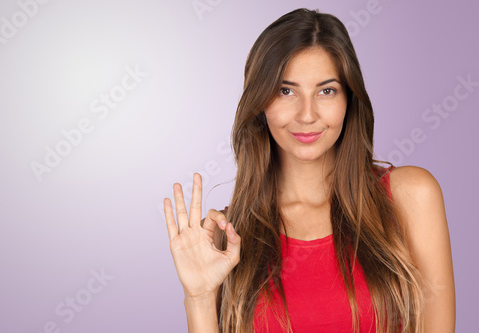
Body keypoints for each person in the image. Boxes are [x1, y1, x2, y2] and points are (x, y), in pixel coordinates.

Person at [163, 8, 455, 333]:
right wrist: (199, 296)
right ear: (260, 103)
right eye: (286, 91)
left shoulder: (410, 195)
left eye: (326, 90)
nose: (307, 114)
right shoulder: (222, 235)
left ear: (349, 99)